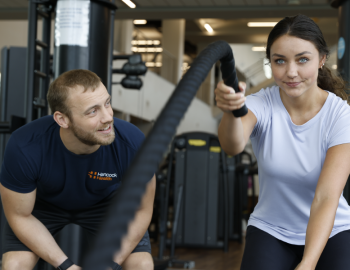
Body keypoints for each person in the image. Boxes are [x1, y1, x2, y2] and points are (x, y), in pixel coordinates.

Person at [215, 14, 350, 270]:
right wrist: (230, 110)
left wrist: (308, 263)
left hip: (333, 229)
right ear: (270, 63)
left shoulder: (340, 115)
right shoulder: (261, 103)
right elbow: (232, 146)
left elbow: (326, 197)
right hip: (271, 228)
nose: (291, 72)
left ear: (321, 59)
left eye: (303, 59)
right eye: (280, 61)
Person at [0, 69, 156, 270]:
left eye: (107, 103)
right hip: (43, 207)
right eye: (92, 111)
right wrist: (67, 266)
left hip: (107, 205)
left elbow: (141, 210)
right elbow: (20, 215)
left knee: (141, 265)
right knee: (14, 265)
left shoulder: (133, 143)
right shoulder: (25, 146)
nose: (108, 117)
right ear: (62, 120)